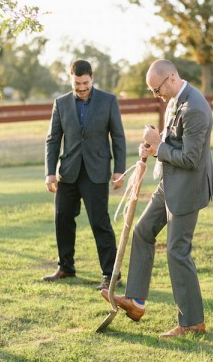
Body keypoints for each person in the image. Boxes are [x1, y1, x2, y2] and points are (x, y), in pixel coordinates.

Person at [100, 59, 213, 338]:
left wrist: (159, 147)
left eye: (157, 89)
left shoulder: (195, 108)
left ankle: (192, 322)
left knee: (178, 251)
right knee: (142, 231)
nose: (156, 96)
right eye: (152, 91)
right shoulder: (177, 98)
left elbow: (190, 158)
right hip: (169, 182)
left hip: (187, 188)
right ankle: (136, 302)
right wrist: (155, 142)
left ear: (172, 78)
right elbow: (172, 141)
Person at [43, 59, 126, 290]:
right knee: (62, 219)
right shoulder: (60, 103)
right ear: (70, 79)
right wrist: (50, 173)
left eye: (85, 83)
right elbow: (53, 139)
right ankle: (66, 267)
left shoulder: (108, 101)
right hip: (68, 172)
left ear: (92, 78)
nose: (81, 87)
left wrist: (119, 170)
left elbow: (118, 137)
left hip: (96, 171)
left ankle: (111, 275)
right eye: (77, 83)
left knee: (100, 222)